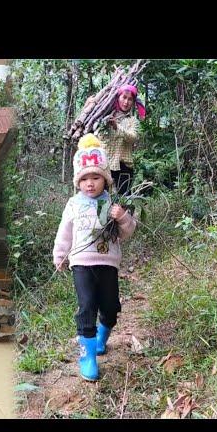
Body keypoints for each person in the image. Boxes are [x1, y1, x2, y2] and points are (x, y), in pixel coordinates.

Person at [52, 134, 137, 381]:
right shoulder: (73, 204)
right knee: (86, 307)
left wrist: (122, 217)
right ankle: (87, 357)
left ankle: (102, 335)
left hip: (108, 264)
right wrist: (60, 254)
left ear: (105, 179)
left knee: (110, 307)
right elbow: (64, 231)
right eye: (85, 178)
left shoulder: (113, 203)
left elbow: (126, 233)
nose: (90, 183)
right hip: (81, 264)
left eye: (96, 177)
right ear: (78, 181)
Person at [97, 84, 146, 196]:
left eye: (130, 99)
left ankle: (126, 214)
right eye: (124, 97)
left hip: (124, 166)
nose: (126, 102)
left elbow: (133, 138)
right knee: (102, 198)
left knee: (124, 200)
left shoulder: (133, 121)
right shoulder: (104, 117)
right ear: (118, 97)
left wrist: (117, 127)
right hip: (105, 164)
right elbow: (97, 137)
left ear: (133, 102)